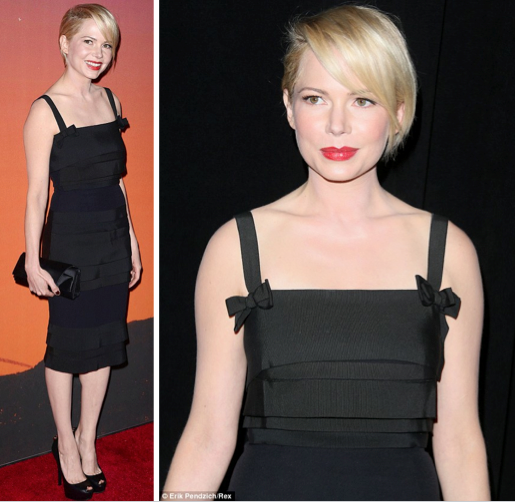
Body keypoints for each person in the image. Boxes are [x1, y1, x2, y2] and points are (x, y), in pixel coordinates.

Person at [163, 4, 489, 501]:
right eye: (316, 98)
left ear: (400, 110)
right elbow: (208, 432)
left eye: (362, 100)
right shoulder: (237, 245)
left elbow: (461, 440)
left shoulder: (449, 252)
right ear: (290, 107)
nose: (337, 125)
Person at [23, 4, 141, 500]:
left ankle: (87, 442)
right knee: (67, 346)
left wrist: (133, 240)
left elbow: (118, 181)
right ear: (64, 43)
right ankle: (64, 447)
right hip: (70, 240)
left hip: (113, 238)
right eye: (88, 41)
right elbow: (34, 195)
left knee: (102, 346)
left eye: (107, 44)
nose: (98, 53)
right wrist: (32, 260)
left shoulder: (111, 100)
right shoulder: (43, 110)